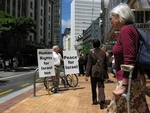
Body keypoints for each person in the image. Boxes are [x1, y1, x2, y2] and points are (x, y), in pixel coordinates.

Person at [107, 3, 149, 112]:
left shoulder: (126, 30)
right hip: (133, 79)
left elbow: (129, 59)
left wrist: (124, 85)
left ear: (119, 17)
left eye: (111, 18)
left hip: (130, 81)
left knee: (114, 110)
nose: (110, 21)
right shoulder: (130, 29)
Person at [85, 39, 107, 109]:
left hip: (93, 71)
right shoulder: (103, 52)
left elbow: (89, 64)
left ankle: (94, 101)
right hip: (101, 71)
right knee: (101, 86)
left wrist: (87, 74)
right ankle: (102, 100)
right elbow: (105, 63)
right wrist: (106, 74)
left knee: (93, 87)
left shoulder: (91, 53)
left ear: (93, 45)